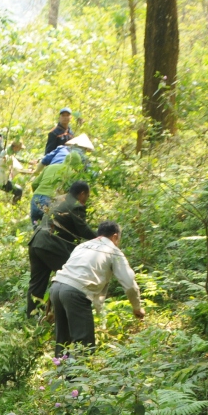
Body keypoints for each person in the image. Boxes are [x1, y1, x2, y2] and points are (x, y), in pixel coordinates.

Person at [49, 220, 145, 355]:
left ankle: (60, 372)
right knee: (84, 343)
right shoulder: (113, 251)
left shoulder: (82, 246)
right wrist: (137, 307)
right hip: (75, 293)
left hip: (56, 288)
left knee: (63, 339)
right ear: (115, 236)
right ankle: (75, 375)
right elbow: (129, 284)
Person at [26, 180, 97, 317]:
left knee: (36, 284)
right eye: (87, 196)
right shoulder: (75, 205)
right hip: (51, 245)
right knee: (71, 277)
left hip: (37, 242)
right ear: (82, 194)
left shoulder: (59, 199)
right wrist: (102, 238)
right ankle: (69, 314)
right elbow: (83, 230)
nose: (86, 200)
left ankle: (32, 316)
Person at [29, 147, 88, 225]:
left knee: (36, 229)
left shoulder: (50, 167)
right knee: (48, 229)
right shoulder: (74, 174)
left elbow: (34, 184)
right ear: (78, 164)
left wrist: (39, 194)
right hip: (51, 200)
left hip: (35, 199)